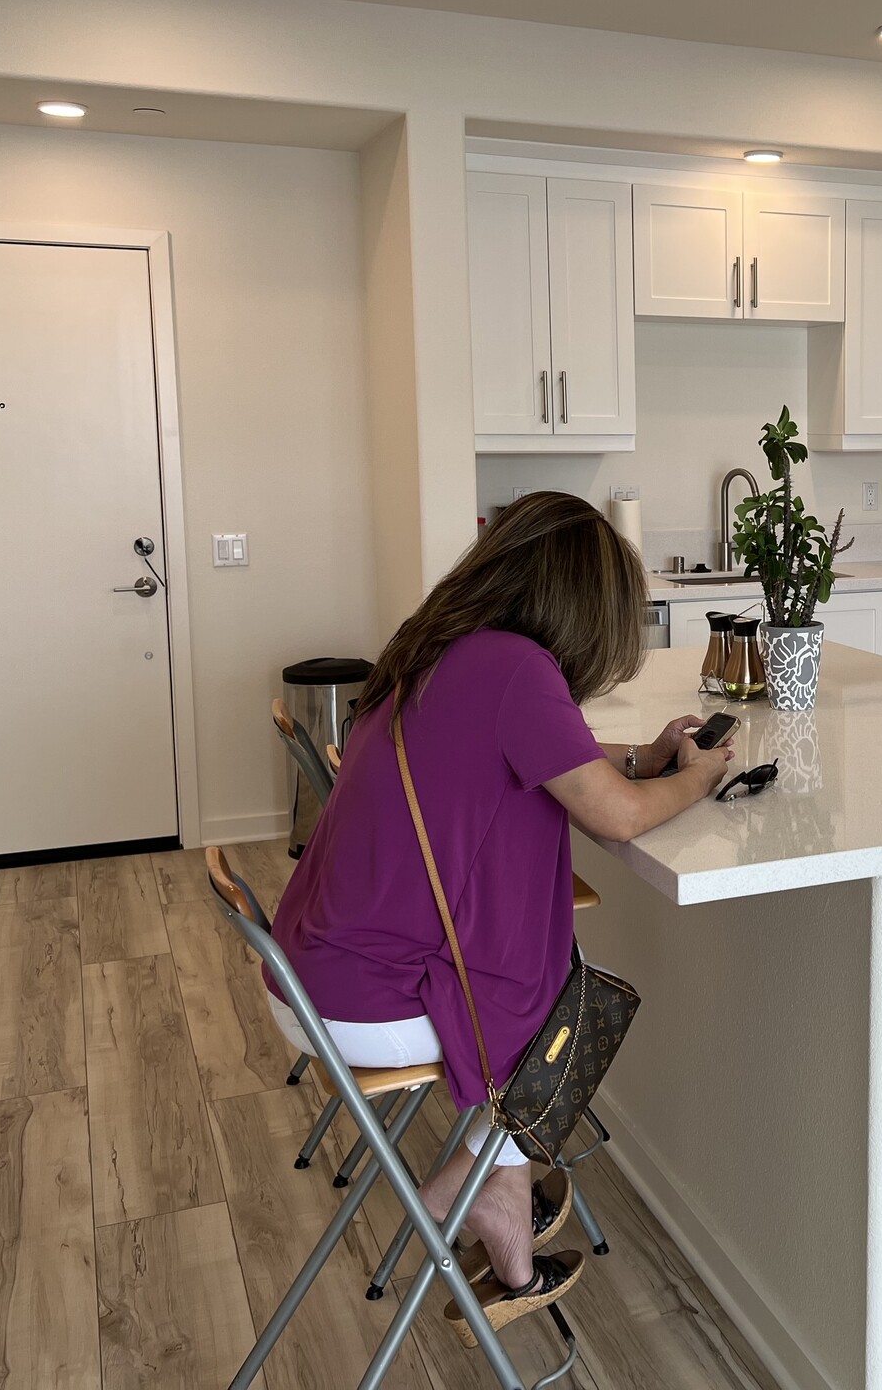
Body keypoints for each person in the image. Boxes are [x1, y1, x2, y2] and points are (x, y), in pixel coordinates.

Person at [266, 491, 733, 1337]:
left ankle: (495, 1196)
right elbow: (614, 816)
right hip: (369, 998)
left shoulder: (445, 648)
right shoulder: (519, 669)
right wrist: (696, 778)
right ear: (579, 605)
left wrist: (646, 757)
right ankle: (487, 1186)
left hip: (310, 967)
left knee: (551, 983)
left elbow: (559, 760)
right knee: (576, 1007)